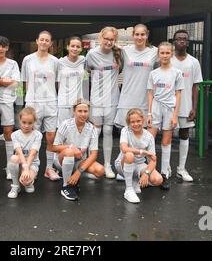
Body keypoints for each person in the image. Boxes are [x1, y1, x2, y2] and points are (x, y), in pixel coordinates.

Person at [21, 30, 61, 181]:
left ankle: (49, 169)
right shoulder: (28, 60)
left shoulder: (55, 61)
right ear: (37, 41)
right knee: (33, 138)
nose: (44, 42)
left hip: (51, 103)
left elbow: (57, 83)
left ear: (50, 43)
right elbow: (22, 83)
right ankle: (32, 167)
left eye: (47, 40)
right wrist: (22, 103)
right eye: (41, 40)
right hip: (33, 103)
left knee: (51, 138)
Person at [147, 42, 184, 190]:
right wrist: (149, 113)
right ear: (158, 54)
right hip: (156, 107)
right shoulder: (153, 73)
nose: (164, 55)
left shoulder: (177, 73)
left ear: (171, 54)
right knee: (149, 140)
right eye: (162, 53)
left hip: (170, 109)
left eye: (167, 53)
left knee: (166, 142)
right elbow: (150, 94)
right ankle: (149, 171)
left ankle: (164, 174)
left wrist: (175, 115)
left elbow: (178, 94)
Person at [85, 26, 121, 179]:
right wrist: (84, 100)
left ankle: (107, 165)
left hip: (112, 99)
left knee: (108, 132)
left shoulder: (118, 53)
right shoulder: (91, 54)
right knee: (95, 132)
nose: (109, 42)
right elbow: (86, 74)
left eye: (112, 39)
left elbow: (120, 70)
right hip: (96, 100)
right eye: (106, 39)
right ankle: (89, 164)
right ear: (100, 38)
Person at [52, 99, 104, 201]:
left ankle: (74, 177)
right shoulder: (66, 124)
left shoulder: (92, 129)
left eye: (85, 111)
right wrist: (71, 147)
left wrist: (79, 172)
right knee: (70, 151)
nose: (83, 114)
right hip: (61, 160)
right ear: (74, 111)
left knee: (100, 171)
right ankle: (66, 186)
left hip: (79, 162)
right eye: (80, 111)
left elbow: (93, 154)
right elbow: (54, 147)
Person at [0, 36, 21, 181]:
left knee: (8, 133)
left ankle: (9, 166)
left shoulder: (13, 64)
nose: (0, 48)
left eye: (3, 46)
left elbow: (16, 84)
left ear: (7, 48)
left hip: (7, 101)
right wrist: (4, 81)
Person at [171, 30, 203, 182]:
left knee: (184, 135)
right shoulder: (167, 59)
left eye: (184, 39)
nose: (182, 41)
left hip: (185, 105)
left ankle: (181, 169)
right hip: (168, 105)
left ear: (188, 43)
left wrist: (194, 107)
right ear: (174, 41)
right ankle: (166, 168)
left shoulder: (194, 62)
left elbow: (195, 86)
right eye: (179, 39)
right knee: (167, 135)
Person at [114, 108, 163, 203]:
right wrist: (143, 152)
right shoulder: (125, 130)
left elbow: (153, 159)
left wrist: (146, 173)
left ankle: (135, 180)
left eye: (138, 121)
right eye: (132, 122)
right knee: (129, 155)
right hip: (122, 163)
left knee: (158, 180)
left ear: (143, 120)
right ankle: (128, 190)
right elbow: (124, 148)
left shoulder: (149, 136)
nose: (136, 124)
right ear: (128, 123)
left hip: (139, 165)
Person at [115, 24, 158, 129]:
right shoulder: (124, 50)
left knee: (142, 134)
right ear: (133, 35)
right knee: (126, 133)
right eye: (137, 34)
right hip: (127, 98)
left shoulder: (155, 52)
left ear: (147, 35)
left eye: (142, 34)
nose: (139, 37)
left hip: (145, 99)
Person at [7, 107, 42, 198]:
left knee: (26, 181)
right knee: (14, 158)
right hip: (20, 162)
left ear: (34, 122)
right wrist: (24, 167)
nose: (26, 125)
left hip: (32, 163)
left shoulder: (38, 135)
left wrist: (27, 168)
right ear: (20, 121)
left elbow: (33, 153)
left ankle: (29, 182)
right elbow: (18, 152)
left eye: (30, 123)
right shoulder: (15, 135)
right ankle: (15, 186)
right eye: (24, 122)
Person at [57, 36, 88, 126]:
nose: (75, 49)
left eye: (78, 47)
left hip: (78, 104)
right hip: (64, 103)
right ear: (67, 47)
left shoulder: (83, 60)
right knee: (63, 129)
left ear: (81, 48)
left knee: (78, 129)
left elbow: (87, 77)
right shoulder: (60, 62)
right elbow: (57, 83)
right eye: (72, 46)